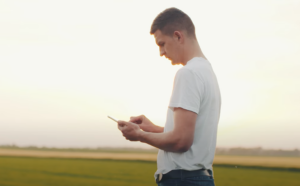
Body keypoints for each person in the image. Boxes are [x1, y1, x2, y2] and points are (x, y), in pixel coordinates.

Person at [117, 7, 221, 186]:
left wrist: (139, 135)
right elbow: (189, 136)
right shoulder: (207, 71)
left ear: (178, 36)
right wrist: (152, 128)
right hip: (198, 178)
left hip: (183, 180)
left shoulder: (188, 73)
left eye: (162, 44)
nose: (161, 52)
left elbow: (181, 142)